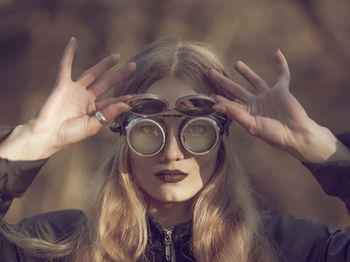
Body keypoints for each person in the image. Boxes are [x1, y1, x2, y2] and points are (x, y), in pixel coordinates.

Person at [0, 37, 350, 262]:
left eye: (196, 130)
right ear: (123, 134)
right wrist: (32, 141)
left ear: (222, 133)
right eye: (149, 131)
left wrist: (321, 149)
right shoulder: (55, 246)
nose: (170, 153)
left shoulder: (291, 248)